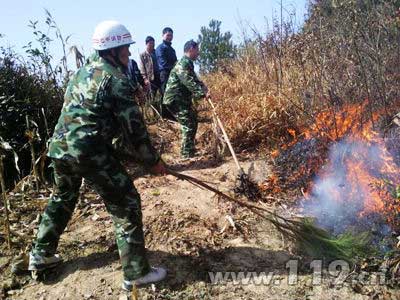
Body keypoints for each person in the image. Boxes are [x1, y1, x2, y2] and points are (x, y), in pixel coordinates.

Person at [28, 20, 168, 293]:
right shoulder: (116, 81)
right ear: (112, 51)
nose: (129, 55)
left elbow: (89, 120)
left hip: (59, 149)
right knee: (126, 203)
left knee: (63, 196)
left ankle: (41, 253)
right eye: (126, 50)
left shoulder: (81, 73)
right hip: (87, 153)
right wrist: (153, 161)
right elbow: (135, 132)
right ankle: (137, 274)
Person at [162, 40, 210, 158]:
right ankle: (186, 154)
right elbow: (188, 81)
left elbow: (193, 78)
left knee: (193, 120)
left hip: (182, 99)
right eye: (197, 50)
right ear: (191, 49)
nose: (198, 53)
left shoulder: (188, 63)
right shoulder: (182, 64)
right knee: (188, 123)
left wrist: (203, 85)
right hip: (175, 99)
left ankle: (189, 149)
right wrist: (202, 94)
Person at [155, 27, 177, 94]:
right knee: (165, 95)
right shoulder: (160, 48)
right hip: (164, 74)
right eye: (168, 35)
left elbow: (176, 62)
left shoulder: (172, 50)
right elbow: (163, 63)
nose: (169, 37)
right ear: (163, 35)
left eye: (171, 35)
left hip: (173, 74)